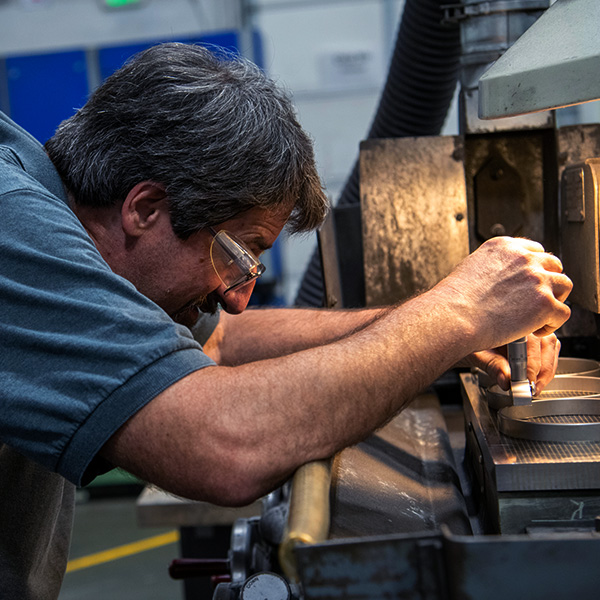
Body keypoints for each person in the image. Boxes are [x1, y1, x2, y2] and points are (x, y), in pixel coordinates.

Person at [0, 42, 571, 599]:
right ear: (145, 208)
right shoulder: (12, 225)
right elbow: (223, 445)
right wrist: (459, 310)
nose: (236, 296)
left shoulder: (66, 231)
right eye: (237, 253)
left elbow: (222, 343)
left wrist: (437, 334)